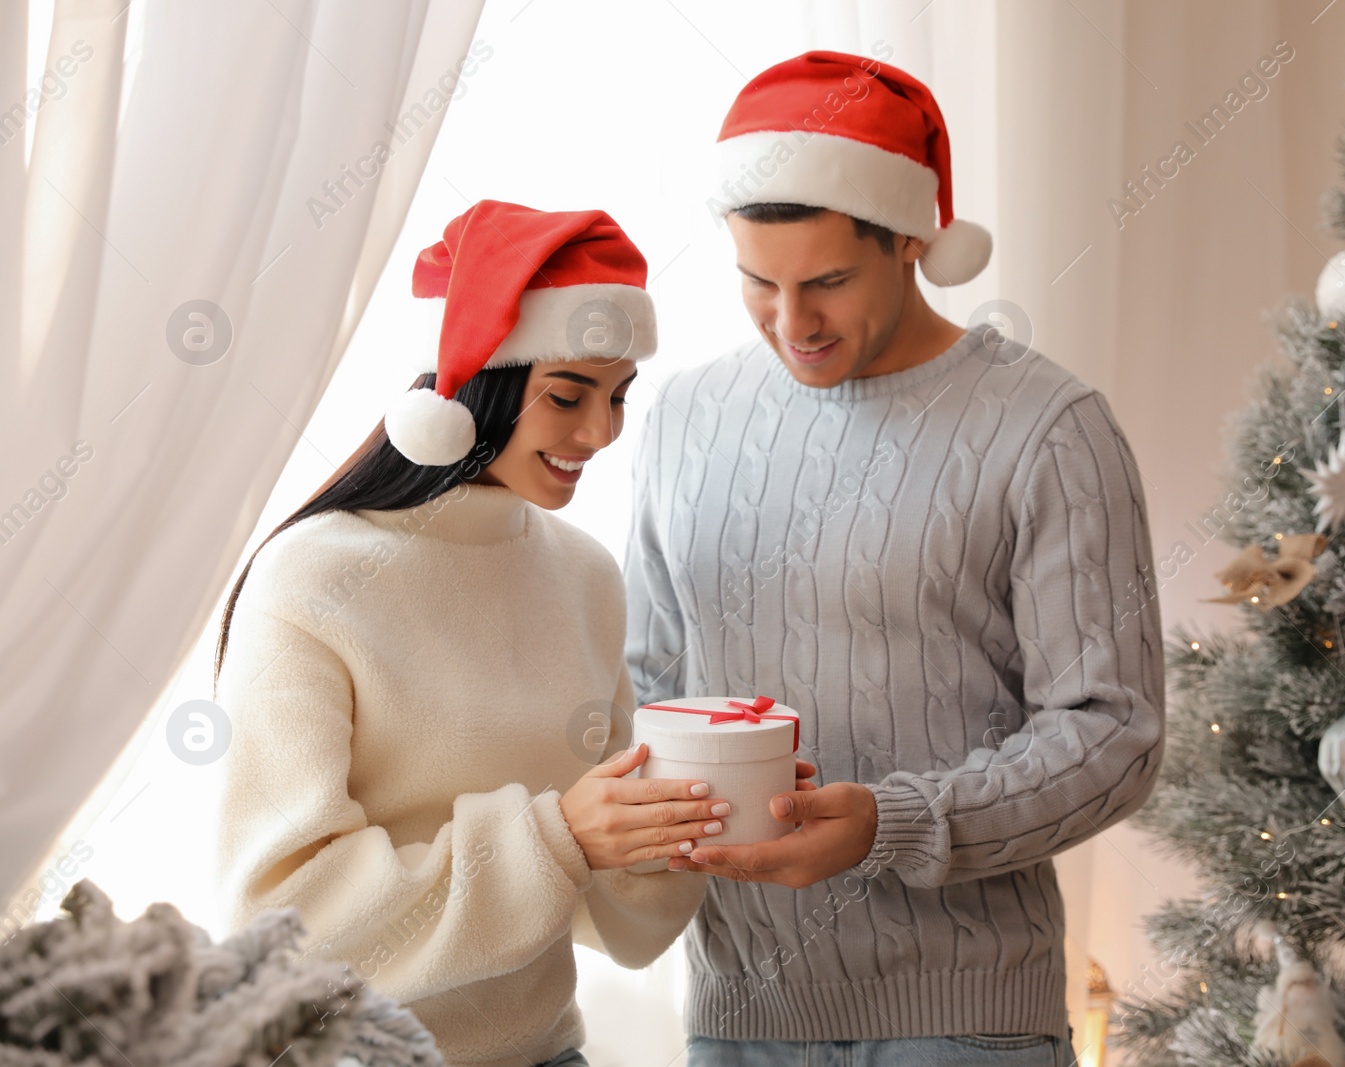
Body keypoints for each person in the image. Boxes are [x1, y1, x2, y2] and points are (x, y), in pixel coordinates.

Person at [623, 52, 1167, 1067]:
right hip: (738, 1014)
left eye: (827, 281)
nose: (793, 324)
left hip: (967, 1020)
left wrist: (892, 822)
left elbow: (1113, 732)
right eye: (757, 282)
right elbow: (643, 685)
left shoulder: (1048, 427)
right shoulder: (685, 417)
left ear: (913, 238)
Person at [214, 201, 746, 1067]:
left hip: (547, 1050)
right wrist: (557, 838)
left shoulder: (582, 572)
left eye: (618, 396)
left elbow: (615, 904)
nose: (600, 433)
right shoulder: (313, 577)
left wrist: (700, 811)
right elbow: (281, 916)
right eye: (568, 395)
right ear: (475, 385)